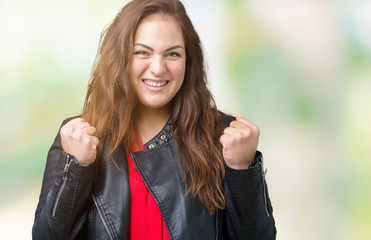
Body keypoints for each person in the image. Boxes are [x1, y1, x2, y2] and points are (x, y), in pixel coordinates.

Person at [32, 0, 276, 239]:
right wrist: (76, 167)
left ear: (188, 61)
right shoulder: (79, 137)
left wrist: (242, 170)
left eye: (172, 54)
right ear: (120, 57)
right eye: (142, 52)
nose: (158, 68)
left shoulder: (224, 137)